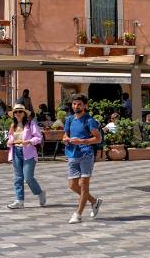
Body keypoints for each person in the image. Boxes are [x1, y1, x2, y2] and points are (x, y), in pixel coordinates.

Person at [61, 94, 104, 224]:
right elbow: (65, 134)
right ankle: (94, 201)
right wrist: (65, 139)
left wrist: (83, 141)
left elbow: (98, 138)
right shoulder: (69, 119)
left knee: (83, 185)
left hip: (86, 155)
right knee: (72, 185)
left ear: (85, 105)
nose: (76, 106)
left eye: (79, 104)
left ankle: (78, 214)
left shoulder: (89, 120)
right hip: (72, 154)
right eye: (74, 104)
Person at [4, 104, 46, 209]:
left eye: (20, 111)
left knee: (28, 177)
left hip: (29, 153)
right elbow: (10, 137)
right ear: (13, 114)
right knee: (18, 177)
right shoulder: (12, 125)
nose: (18, 113)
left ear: (24, 113)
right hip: (16, 152)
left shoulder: (31, 124)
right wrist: (9, 142)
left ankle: (40, 193)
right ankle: (19, 200)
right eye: (16, 112)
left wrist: (29, 142)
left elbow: (38, 137)